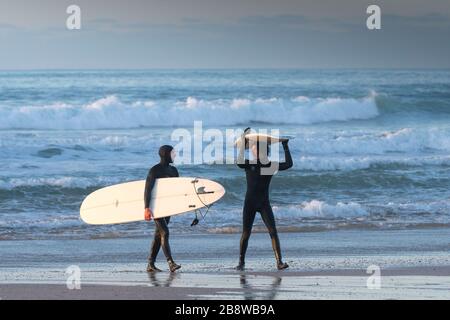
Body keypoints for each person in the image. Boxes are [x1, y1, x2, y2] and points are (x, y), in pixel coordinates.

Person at [236, 129, 293, 270]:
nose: (252, 151)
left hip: (262, 203)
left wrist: (285, 145)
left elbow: (288, 164)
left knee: (272, 231)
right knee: (246, 233)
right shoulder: (250, 164)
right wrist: (243, 141)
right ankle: (241, 262)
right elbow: (239, 161)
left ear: (261, 151)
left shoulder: (268, 165)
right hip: (251, 202)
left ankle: (279, 262)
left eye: (254, 149)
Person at [144, 145, 181, 273]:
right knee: (165, 232)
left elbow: (177, 190)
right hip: (156, 206)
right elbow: (147, 190)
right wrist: (146, 208)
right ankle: (171, 263)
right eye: (173, 153)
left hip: (168, 206)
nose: (175, 155)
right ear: (166, 154)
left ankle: (150, 264)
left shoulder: (174, 171)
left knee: (158, 235)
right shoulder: (155, 170)